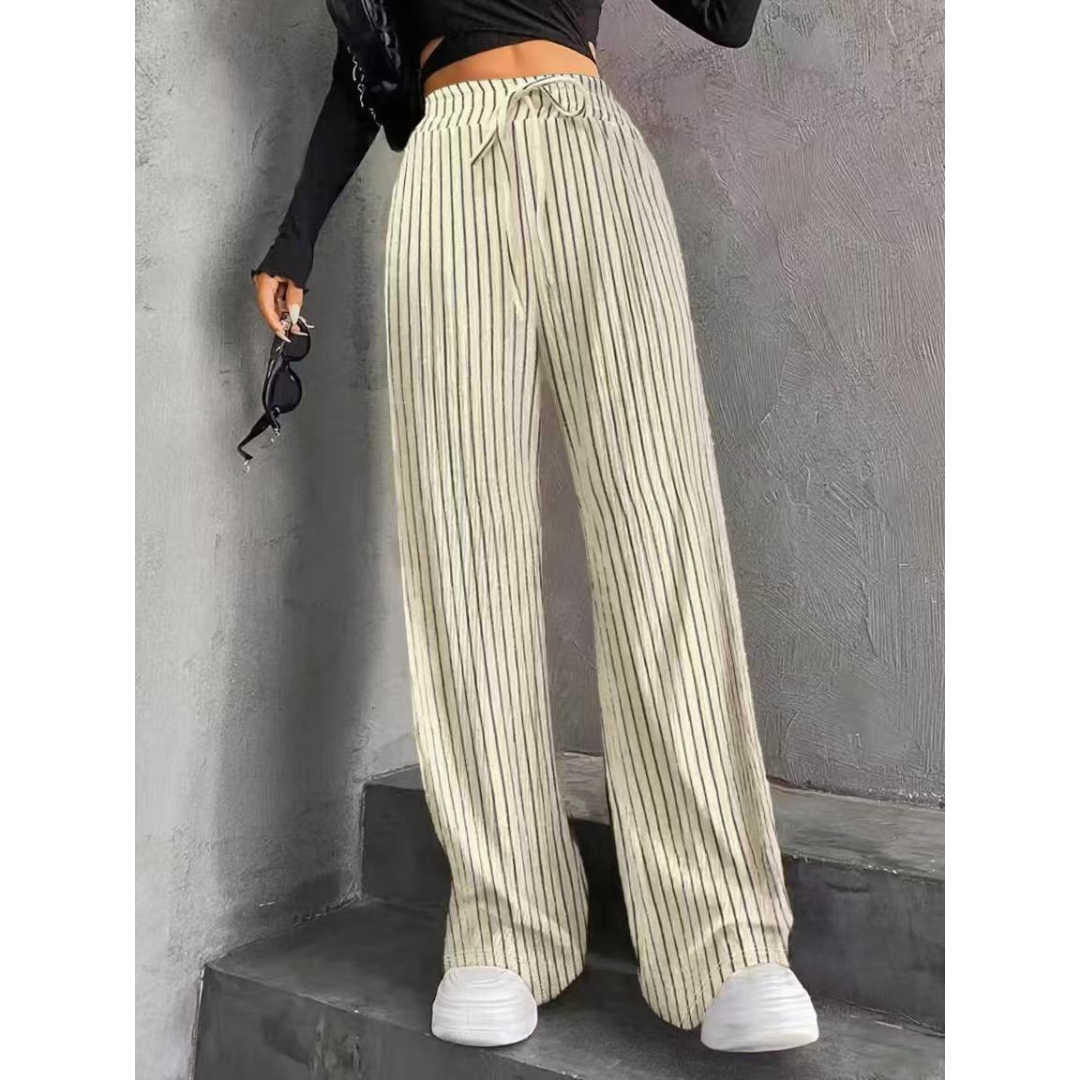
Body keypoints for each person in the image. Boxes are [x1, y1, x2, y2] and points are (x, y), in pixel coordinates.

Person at [251, 0, 820, 1054]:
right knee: (464, 545)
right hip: (449, 166)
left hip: (591, 149)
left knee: (661, 530)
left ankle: (726, 936)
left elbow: (728, 20)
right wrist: (295, 235)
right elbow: (358, 70)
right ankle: (505, 925)